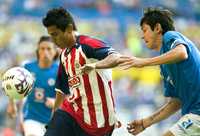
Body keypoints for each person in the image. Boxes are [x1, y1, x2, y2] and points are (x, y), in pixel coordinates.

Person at [118, 7, 200, 136]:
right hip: (192, 113)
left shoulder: (170, 36)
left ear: (157, 28)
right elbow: (176, 102)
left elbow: (181, 53)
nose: (142, 36)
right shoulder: (164, 64)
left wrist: (144, 62)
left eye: (144, 30)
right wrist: (146, 122)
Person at [42, 7, 123, 136]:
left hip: (99, 124)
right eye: (51, 36)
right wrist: (52, 122)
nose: (53, 40)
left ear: (69, 29)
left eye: (55, 34)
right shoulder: (64, 55)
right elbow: (61, 91)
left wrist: (95, 65)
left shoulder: (87, 45)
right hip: (73, 114)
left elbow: (116, 57)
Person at [7, 36, 59, 136]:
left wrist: (57, 103)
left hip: (52, 120)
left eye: (49, 49)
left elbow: (69, 96)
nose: (45, 52)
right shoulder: (27, 67)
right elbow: (13, 84)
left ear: (55, 51)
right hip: (31, 117)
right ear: (38, 51)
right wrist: (11, 103)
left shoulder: (60, 71)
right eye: (42, 48)